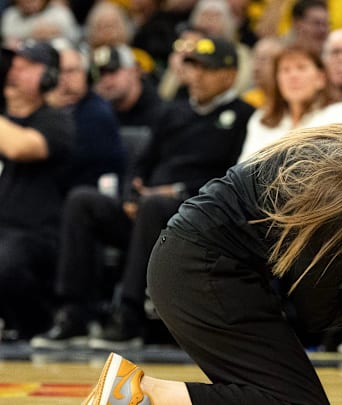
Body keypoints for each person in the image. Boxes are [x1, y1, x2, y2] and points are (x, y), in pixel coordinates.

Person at [82, 102, 342, 405]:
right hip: (199, 273)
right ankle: (138, 391)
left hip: (203, 261)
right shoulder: (334, 193)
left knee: (282, 393)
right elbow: (316, 314)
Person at [29, 36, 255, 351]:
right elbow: (140, 163)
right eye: (194, 67)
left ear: (229, 75)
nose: (198, 76)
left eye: (208, 69)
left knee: (154, 204)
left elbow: (233, 177)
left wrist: (177, 191)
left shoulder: (245, 116)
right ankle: (74, 312)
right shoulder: (172, 112)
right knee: (83, 201)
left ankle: (129, 315)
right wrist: (130, 194)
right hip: (148, 210)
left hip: (199, 218)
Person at [0, 39, 74, 339]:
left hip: (35, 234)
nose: (15, 70)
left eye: (28, 66)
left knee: (5, 261)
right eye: (14, 64)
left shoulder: (57, 121)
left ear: (50, 77)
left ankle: (36, 324)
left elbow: (20, 147)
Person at [237, 44, 342, 162]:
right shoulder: (261, 119)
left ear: (320, 78)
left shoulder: (340, 114)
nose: (293, 76)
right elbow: (245, 169)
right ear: (277, 80)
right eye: (285, 70)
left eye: (301, 68)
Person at [44, 39, 126, 194]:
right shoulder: (46, 109)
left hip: (85, 196)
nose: (63, 79)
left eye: (71, 71)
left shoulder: (97, 112)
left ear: (86, 74)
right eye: (58, 72)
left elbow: (67, 162)